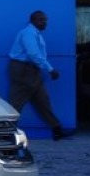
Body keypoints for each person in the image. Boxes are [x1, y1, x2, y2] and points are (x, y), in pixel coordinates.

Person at [8, 10, 75, 140]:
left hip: (32, 71)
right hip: (23, 70)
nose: (45, 23)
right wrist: (50, 69)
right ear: (33, 20)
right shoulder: (28, 33)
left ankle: (57, 130)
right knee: (16, 104)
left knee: (43, 101)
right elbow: (33, 54)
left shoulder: (35, 33)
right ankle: (6, 133)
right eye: (41, 20)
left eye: (45, 20)